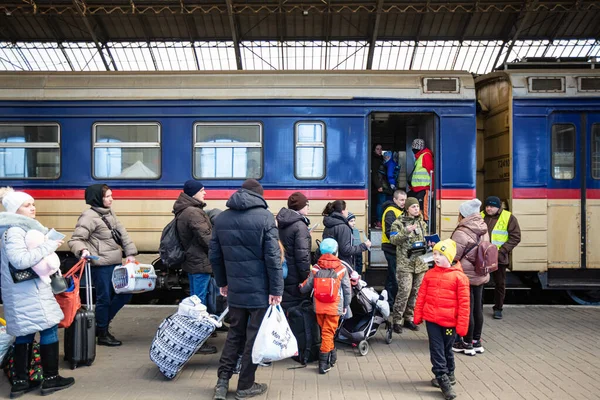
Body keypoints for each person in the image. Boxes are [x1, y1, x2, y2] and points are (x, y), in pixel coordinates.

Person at [210, 179, 282, 400]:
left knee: (234, 334)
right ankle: (245, 386)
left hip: (236, 289)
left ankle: (222, 383)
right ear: (259, 196)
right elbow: (273, 258)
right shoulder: (266, 218)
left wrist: (222, 282)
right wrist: (276, 289)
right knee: (254, 338)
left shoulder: (221, 218)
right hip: (259, 290)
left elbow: (214, 256)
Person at [0, 187, 75, 397]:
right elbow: (20, 260)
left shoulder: (11, 230)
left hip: (22, 292)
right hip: (28, 292)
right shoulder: (15, 230)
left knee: (24, 334)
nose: (33, 208)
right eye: (27, 205)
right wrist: (48, 246)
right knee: (48, 329)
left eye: (33, 204)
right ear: (15, 210)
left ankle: (21, 382)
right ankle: (51, 379)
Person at [68, 184, 137, 347]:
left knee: (125, 293)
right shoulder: (88, 216)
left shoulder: (109, 213)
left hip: (115, 262)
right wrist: (83, 250)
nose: (111, 199)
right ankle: (103, 332)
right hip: (100, 265)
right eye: (107, 196)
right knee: (104, 298)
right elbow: (75, 239)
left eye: (111, 195)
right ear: (97, 198)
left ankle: (102, 324)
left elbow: (123, 234)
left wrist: (131, 254)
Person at [414, 239, 470, 400]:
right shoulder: (430, 274)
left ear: (450, 257)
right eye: (435, 254)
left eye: (440, 254)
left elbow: (465, 305)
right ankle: (443, 379)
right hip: (432, 320)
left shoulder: (460, 278)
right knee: (437, 349)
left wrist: (462, 326)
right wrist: (418, 316)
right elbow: (421, 297)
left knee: (447, 348)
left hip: (449, 323)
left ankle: (450, 373)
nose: (436, 257)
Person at [172, 180, 217, 354]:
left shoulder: (186, 210)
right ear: (194, 193)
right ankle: (197, 341)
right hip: (200, 262)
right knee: (198, 303)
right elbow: (207, 238)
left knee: (196, 299)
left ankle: (202, 333)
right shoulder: (193, 213)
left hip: (194, 261)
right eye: (202, 190)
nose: (205, 193)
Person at [299, 238, 352, 375]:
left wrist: (300, 287)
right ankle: (323, 364)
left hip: (319, 307)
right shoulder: (341, 269)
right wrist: (346, 304)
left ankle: (332, 355)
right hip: (334, 307)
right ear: (336, 251)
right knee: (328, 333)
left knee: (325, 331)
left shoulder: (316, 268)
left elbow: (306, 287)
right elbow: (347, 290)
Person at [450, 199, 489, 356]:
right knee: (477, 308)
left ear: (463, 214)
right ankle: (476, 341)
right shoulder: (483, 229)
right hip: (480, 273)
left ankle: (466, 343)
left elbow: (453, 255)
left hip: (465, 276)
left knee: (467, 309)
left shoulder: (462, 232)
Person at [389, 197, 428, 334]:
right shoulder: (398, 223)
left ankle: (409, 318)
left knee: (415, 293)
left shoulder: (422, 223)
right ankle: (397, 320)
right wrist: (406, 231)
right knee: (404, 292)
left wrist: (430, 243)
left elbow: (424, 238)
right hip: (405, 264)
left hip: (420, 264)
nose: (416, 209)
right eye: (413, 207)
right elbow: (393, 240)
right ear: (407, 209)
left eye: (417, 206)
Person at [481, 196, 521, 320]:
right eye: (487, 206)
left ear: (498, 207)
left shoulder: (508, 217)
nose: (488, 208)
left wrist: (502, 251)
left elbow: (515, 237)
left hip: (499, 257)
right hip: (482, 256)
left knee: (499, 284)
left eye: (491, 206)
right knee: (480, 283)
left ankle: (498, 308)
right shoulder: (480, 216)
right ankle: (478, 307)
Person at [276, 192, 311, 311]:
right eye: (306, 205)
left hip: (282, 271)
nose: (308, 208)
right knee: (295, 310)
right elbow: (303, 257)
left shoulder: (281, 222)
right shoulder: (300, 226)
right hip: (295, 275)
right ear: (300, 207)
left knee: (284, 305)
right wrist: (306, 278)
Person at [322, 200, 371, 267]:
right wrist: (364, 246)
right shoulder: (343, 227)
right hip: (341, 264)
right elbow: (346, 250)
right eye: (347, 209)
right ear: (342, 211)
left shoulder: (328, 224)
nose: (348, 211)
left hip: (329, 263)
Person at [381, 190, 407, 307]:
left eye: (405, 200)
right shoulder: (391, 212)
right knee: (394, 277)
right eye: (401, 200)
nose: (404, 202)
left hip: (394, 247)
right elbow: (389, 232)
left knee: (391, 276)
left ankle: (387, 300)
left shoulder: (398, 211)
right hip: (391, 248)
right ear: (395, 199)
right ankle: (391, 303)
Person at [408, 138, 433, 221]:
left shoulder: (425, 156)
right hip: (417, 189)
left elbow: (431, 172)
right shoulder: (420, 156)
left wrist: (432, 189)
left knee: (423, 209)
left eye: (416, 147)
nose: (414, 149)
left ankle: (424, 224)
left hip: (424, 188)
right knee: (418, 208)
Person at [371, 143, 385, 228]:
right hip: (379, 186)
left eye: (381, 149)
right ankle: (378, 221)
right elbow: (374, 174)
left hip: (380, 185)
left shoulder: (380, 159)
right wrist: (379, 186)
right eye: (377, 149)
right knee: (380, 203)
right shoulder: (376, 160)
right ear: (374, 150)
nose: (380, 151)